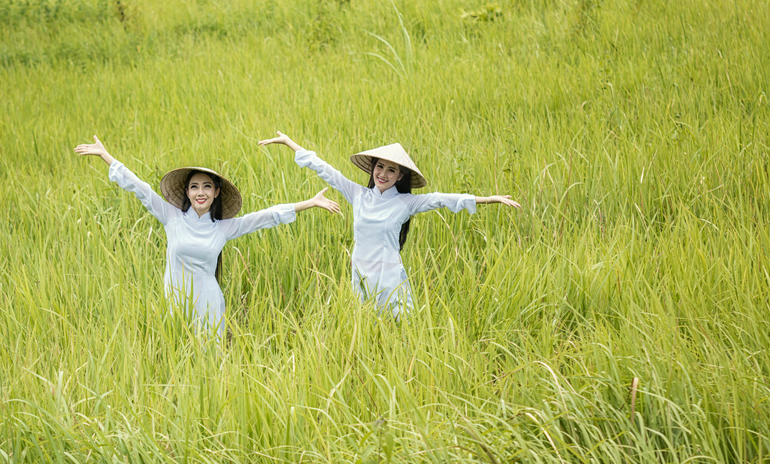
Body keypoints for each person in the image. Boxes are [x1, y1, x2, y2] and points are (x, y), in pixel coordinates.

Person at [75, 135, 340, 336]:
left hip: (209, 302)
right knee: (176, 349)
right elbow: (139, 187)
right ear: (187, 193)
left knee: (209, 361)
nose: (200, 192)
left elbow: (264, 216)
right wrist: (107, 156)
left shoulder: (223, 227)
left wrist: (308, 202)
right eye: (194, 187)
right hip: (174, 299)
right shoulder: (171, 216)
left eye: (206, 187)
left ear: (216, 193)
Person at [258, 131, 521, 318]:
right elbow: (326, 170)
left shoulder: (406, 203)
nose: (383, 174)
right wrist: (290, 143)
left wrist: (489, 199)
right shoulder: (358, 194)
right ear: (372, 168)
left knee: (396, 326)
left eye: (391, 170)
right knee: (363, 323)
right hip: (360, 272)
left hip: (389, 276)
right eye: (379, 167)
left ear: (401, 176)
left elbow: (442, 199)